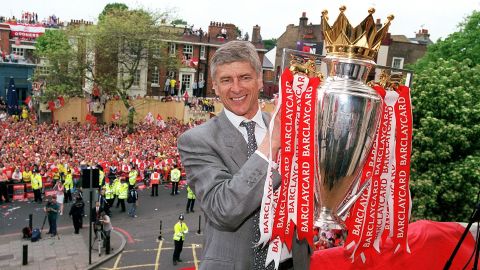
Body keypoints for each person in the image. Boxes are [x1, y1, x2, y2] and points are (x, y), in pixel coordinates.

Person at [178, 40, 310, 270]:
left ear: (260, 80)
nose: (236, 88)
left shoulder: (291, 128)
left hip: (293, 261)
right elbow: (224, 209)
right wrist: (271, 144)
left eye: (245, 77)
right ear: (215, 87)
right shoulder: (196, 140)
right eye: (226, 80)